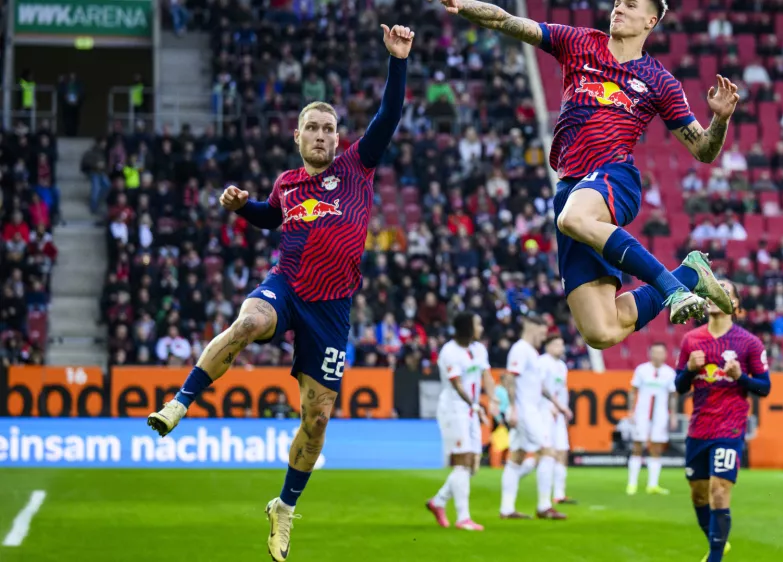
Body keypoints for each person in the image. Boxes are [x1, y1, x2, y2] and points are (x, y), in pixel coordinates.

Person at [145, 24, 414, 562]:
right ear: (297, 137)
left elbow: (389, 114)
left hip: (332, 309)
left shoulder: (357, 167)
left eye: (328, 128)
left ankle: (284, 508)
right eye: (311, 127)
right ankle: (180, 402)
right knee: (248, 323)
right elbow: (272, 217)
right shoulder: (287, 184)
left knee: (316, 421)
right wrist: (244, 206)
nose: (320, 135)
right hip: (285, 286)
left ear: (338, 138)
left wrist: (397, 62)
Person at [434, 0, 737, 351]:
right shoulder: (579, 43)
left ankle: (672, 288)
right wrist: (462, 4)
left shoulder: (660, 82)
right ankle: (690, 274)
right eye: (617, 2)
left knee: (574, 218)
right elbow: (506, 20)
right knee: (601, 332)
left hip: (614, 175)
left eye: (630, 4)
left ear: (650, 20)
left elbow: (703, 150)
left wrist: (720, 120)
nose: (618, 8)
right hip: (569, 187)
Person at [675, 280, 771, 562]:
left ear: (736, 304)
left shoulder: (749, 343)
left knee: (719, 490)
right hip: (699, 427)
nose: (714, 295)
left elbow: (764, 387)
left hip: (729, 428)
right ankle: (718, 541)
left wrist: (740, 377)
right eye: (710, 291)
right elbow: (679, 387)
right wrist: (690, 370)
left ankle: (715, 556)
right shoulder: (691, 340)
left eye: (724, 292)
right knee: (699, 495)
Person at [426, 312, 498, 531]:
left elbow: (486, 375)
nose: (481, 327)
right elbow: (457, 385)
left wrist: (492, 399)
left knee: (472, 465)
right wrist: (475, 406)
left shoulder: (478, 349)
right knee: (462, 462)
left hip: (471, 412)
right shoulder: (449, 352)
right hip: (454, 411)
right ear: (467, 327)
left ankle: (438, 502)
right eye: (477, 324)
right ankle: (463, 517)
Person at [500, 315, 566, 520]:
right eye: (543, 332)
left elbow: (538, 385)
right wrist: (513, 408)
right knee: (548, 452)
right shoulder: (520, 349)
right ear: (533, 329)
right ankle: (544, 506)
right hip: (525, 411)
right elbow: (510, 377)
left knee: (517, 457)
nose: (544, 337)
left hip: (529, 410)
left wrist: (557, 404)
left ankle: (506, 509)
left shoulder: (532, 353)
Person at [625, 341, 677, 496]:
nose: (658, 355)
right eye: (655, 352)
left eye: (661, 352)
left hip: (660, 414)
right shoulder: (642, 370)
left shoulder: (669, 373)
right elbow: (633, 391)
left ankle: (652, 484)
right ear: (650, 353)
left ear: (665, 354)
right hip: (642, 414)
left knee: (656, 448)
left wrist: (673, 415)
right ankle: (632, 483)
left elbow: (672, 396)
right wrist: (631, 411)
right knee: (637, 446)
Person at [539, 334, 576, 505]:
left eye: (561, 344)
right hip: (544, 411)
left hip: (559, 413)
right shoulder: (542, 362)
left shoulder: (562, 366)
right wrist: (554, 405)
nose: (560, 348)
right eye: (556, 344)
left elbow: (562, 389)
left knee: (562, 451)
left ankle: (559, 493)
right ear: (548, 346)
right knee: (548, 452)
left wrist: (564, 408)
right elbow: (538, 386)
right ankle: (545, 495)